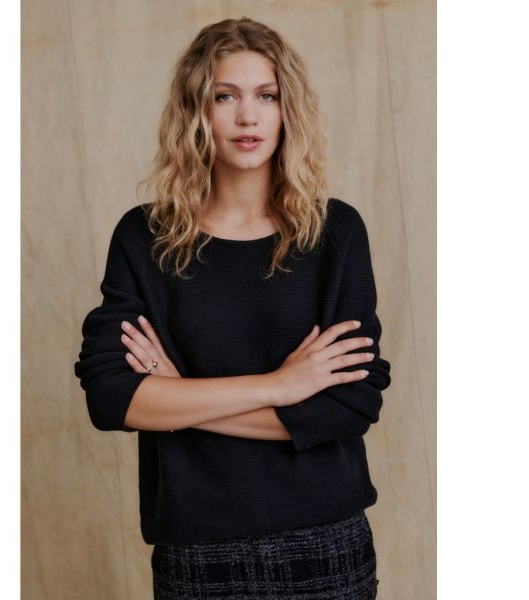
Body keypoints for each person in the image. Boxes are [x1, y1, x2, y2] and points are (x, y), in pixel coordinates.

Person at [74, 16, 391, 599]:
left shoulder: (336, 232)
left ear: (287, 110)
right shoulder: (144, 238)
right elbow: (112, 397)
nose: (248, 117)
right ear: (196, 110)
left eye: (266, 96)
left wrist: (179, 401)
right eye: (225, 96)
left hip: (325, 546)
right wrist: (280, 385)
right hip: (196, 552)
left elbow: (350, 405)